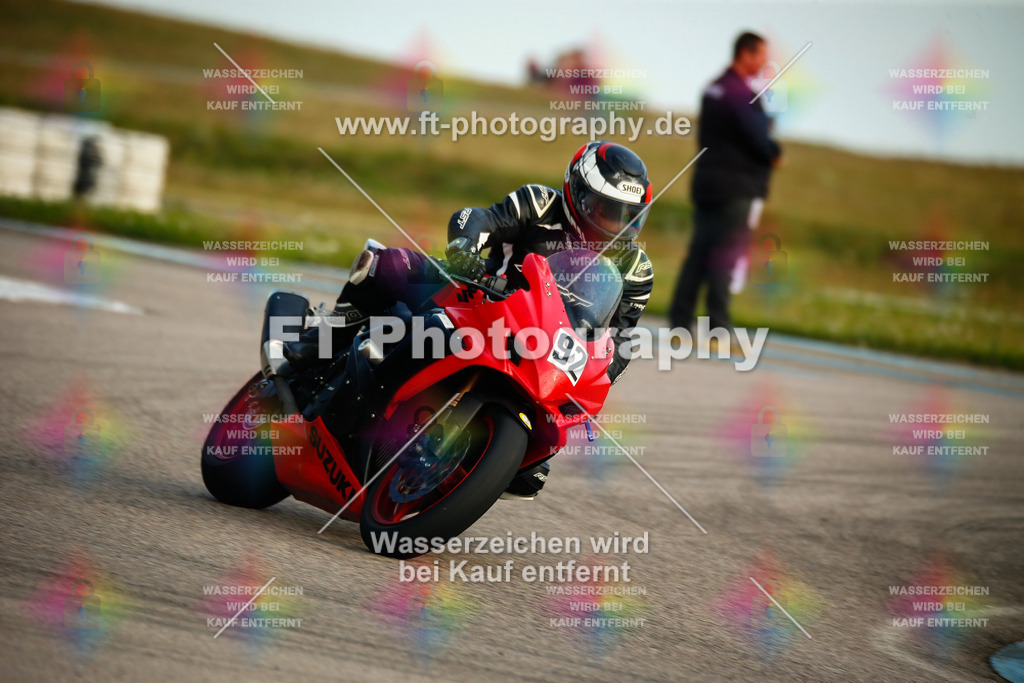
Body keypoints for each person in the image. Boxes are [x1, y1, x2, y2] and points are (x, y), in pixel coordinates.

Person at [334, 140, 655, 384]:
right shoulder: (540, 204)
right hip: (480, 301)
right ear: (576, 193)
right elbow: (479, 219)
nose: (616, 227)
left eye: (629, 216)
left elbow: (619, 342)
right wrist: (465, 250)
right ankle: (314, 345)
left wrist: (592, 381)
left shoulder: (635, 269)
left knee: (535, 469)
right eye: (606, 211)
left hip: (544, 354)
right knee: (387, 263)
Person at [669, 31, 782, 335]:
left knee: (698, 253)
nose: (764, 61)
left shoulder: (714, 89)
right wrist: (774, 152)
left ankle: (680, 320)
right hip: (736, 187)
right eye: (760, 55)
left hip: (707, 183)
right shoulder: (740, 93)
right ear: (746, 54)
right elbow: (758, 139)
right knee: (724, 255)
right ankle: (718, 324)